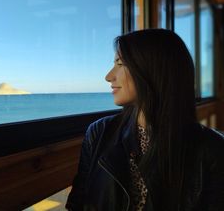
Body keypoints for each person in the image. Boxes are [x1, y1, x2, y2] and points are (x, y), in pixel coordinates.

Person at [65, 29, 224, 211]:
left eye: (120, 63)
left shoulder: (213, 150)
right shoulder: (98, 133)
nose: (108, 76)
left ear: (152, 69)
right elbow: (77, 204)